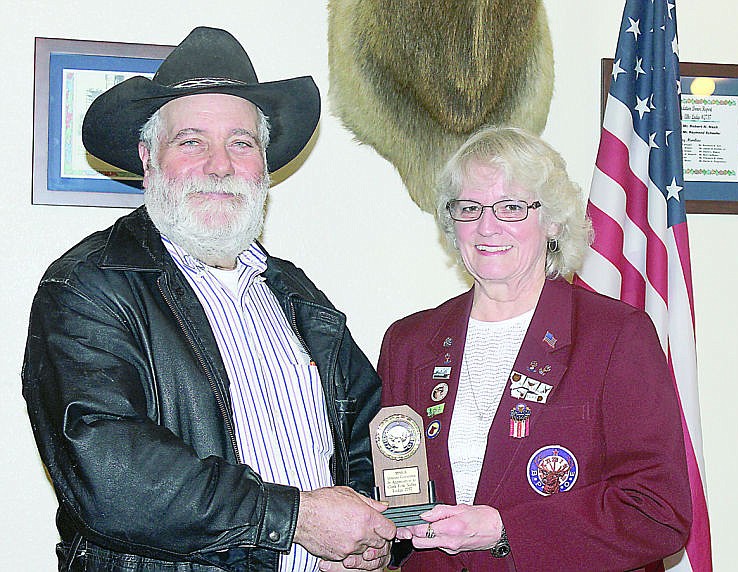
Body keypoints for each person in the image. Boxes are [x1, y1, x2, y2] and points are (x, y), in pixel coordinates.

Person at [22, 27, 394, 572]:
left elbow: (367, 434)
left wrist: (370, 536)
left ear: (264, 165)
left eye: (241, 143)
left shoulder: (299, 296)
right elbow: (109, 469)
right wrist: (295, 518)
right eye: (192, 141)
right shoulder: (86, 287)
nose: (220, 165)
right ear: (149, 157)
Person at [377, 126, 692, 571]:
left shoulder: (615, 336)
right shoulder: (409, 342)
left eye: (512, 207)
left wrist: (505, 529)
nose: (487, 227)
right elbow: (393, 489)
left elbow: (657, 513)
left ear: (554, 221)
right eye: (470, 208)